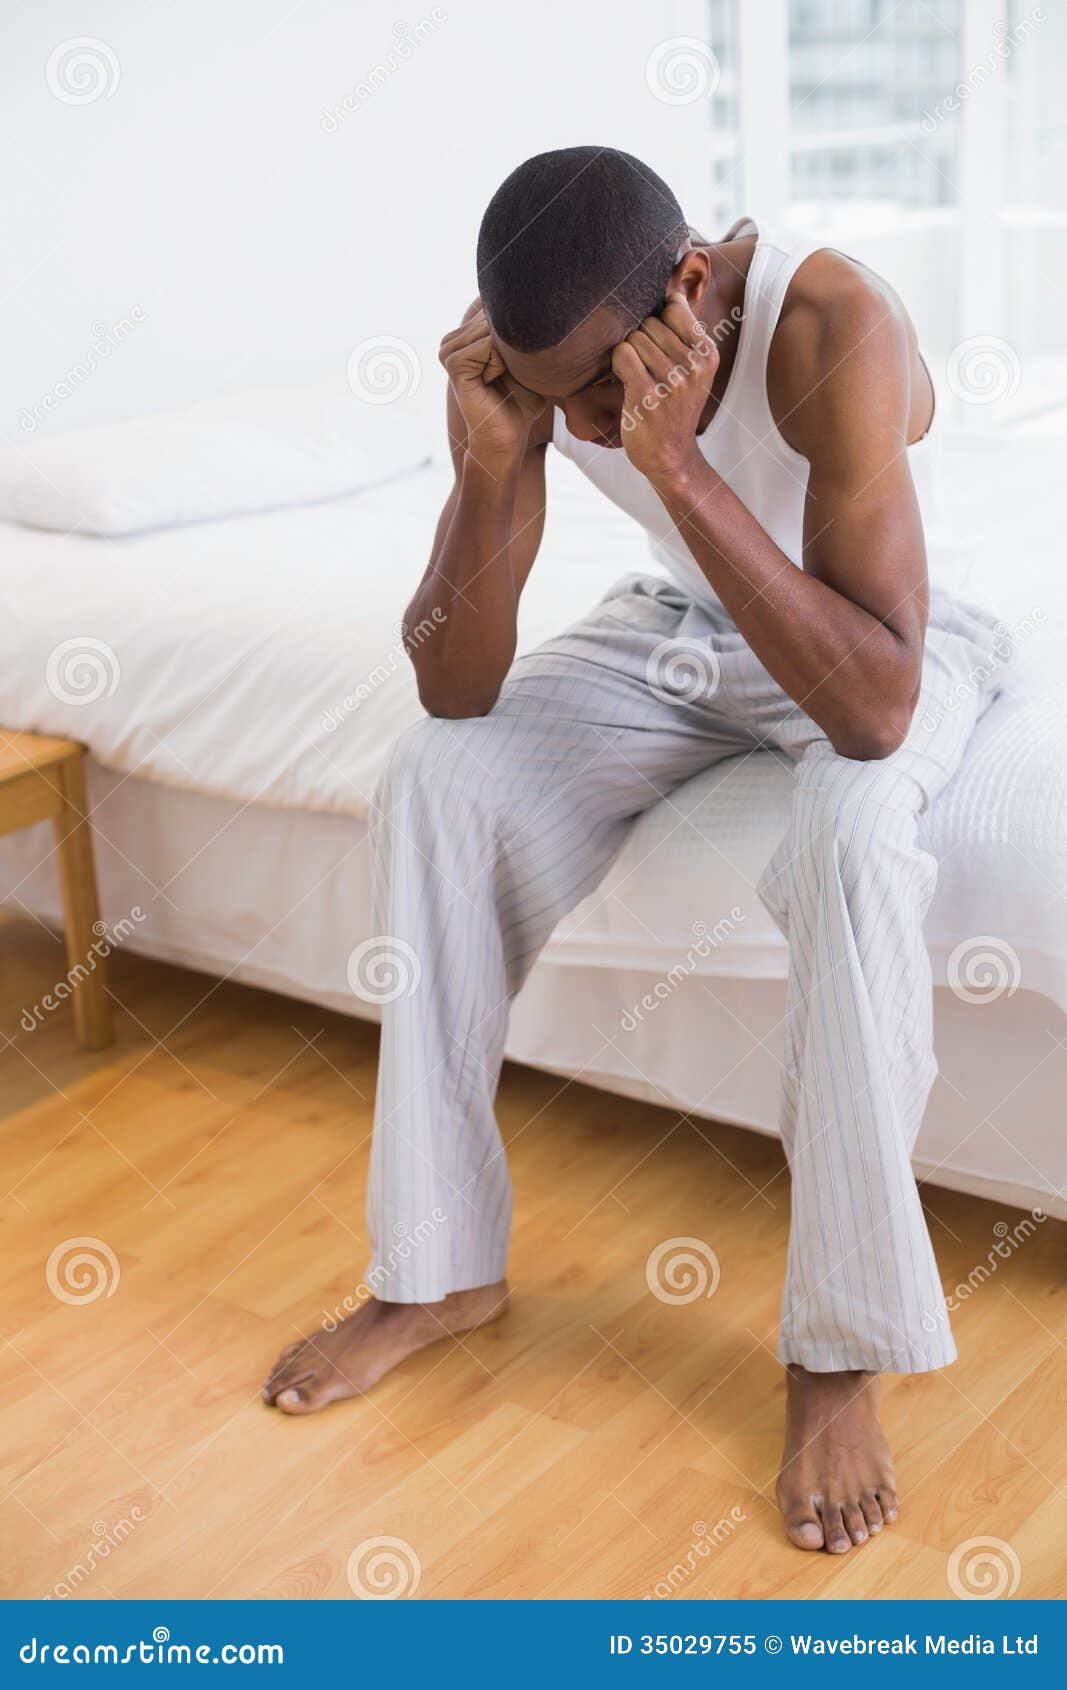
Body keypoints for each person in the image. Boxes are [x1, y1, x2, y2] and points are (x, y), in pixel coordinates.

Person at [263, 146, 1005, 1555]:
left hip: (866, 635)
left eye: (609, 394)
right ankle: (437, 1270)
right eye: (567, 407)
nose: (594, 429)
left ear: (688, 286)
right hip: (682, 630)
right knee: (436, 778)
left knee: (850, 837)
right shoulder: (549, 368)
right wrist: (491, 464)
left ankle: (840, 1347)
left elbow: (878, 703)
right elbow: (455, 689)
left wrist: (678, 466)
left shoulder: (829, 325)